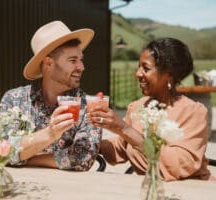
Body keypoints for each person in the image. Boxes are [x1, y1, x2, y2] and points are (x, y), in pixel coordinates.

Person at [87, 37, 214, 181]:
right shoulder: (138, 107)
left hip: (192, 190)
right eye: (139, 67)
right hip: (149, 190)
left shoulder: (193, 112)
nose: (138, 73)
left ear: (169, 74)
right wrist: (83, 139)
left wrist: (124, 128)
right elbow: (121, 147)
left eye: (146, 68)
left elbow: (178, 166)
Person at [0, 21, 101, 171]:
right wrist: (50, 133)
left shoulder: (88, 105)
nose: (81, 67)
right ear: (48, 64)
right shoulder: (14, 99)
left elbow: (83, 158)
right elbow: (2, 152)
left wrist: (27, 156)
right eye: (73, 60)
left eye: (81, 60)